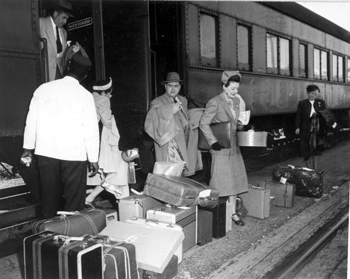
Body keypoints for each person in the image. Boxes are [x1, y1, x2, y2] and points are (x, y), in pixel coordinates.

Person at [20, 54, 99, 218]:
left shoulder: (43, 89)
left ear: (67, 67)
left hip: (46, 154)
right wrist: (93, 158)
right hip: (74, 156)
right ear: (85, 75)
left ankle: (48, 237)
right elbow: (91, 130)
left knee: (49, 200)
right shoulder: (85, 96)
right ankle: (71, 237)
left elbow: (31, 121)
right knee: (74, 203)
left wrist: (28, 149)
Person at [199, 70, 249, 226]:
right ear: (224, 86)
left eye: (237, 88)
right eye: (232, 88)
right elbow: (203, 123)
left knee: (234, 183)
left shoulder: (236, 102)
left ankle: (233, 213)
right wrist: (213, 141)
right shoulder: (215, 102)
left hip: (234, 147)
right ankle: (217, 215)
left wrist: (241, 125)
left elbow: (235, 123)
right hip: (220, 148)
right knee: (219, 183)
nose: (235, 92)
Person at [144, 72, 202, 176]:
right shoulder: (157, 102)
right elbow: (150, 123)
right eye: (170, 86)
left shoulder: (183, 100)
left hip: (183, 141)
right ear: (165, 86)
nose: (173, 89)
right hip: (168, 144)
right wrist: (170, 110)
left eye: (176, 86)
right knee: (169, 173)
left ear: (180, 87)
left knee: (182, 172)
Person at [86, 78, 129, 204]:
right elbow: (108, 121)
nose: (110, 96)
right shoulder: (102, 100)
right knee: (116, 168)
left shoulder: (89, 97)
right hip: (102, 139)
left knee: (109, 170)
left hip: (89, 140)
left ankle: (93, 194)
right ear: (104, 92)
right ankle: (92, 197)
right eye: (109, 93)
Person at [40, 0, 81, 81]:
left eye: (67, 19)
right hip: (44, 73)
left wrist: (72, 51)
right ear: (55, 14)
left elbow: (62, 55)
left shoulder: (63, 32)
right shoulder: (41, 23)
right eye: (63, 17)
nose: (65, 21)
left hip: (59, 73)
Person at [295, 84, 326, 169]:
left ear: (316, 94)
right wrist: (297, 127)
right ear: (307, 93)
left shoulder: (321, 102)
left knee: (317, 150)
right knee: (305, 148)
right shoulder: (302, 103)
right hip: (305, 128)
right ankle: (309, 168)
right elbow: (299, 116)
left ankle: (315, 168)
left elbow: (325, 115)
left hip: (318, 129)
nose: (311, 95)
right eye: (309, 93)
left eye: (313, 93)